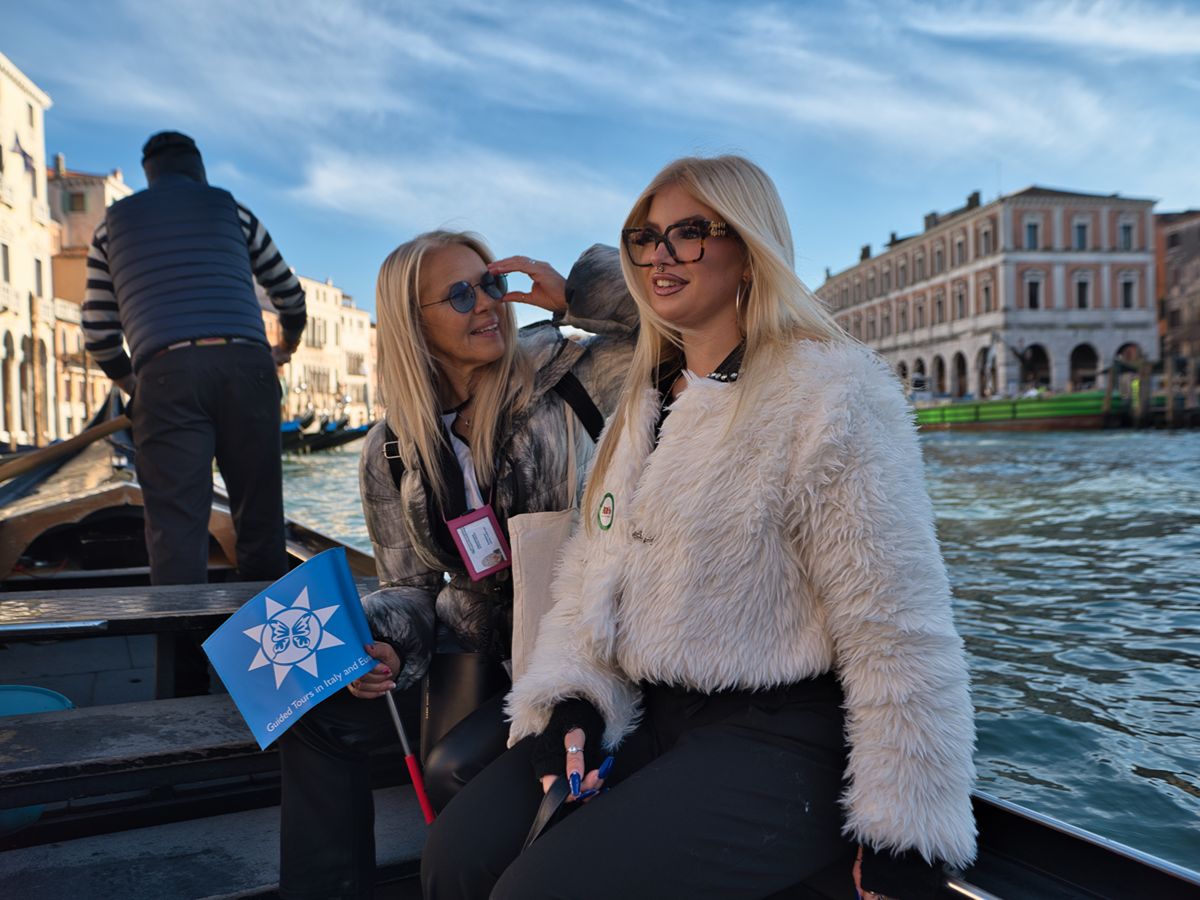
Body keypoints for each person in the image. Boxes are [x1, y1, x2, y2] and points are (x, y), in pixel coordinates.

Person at [421, 156, 977, 900]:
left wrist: (906, 832)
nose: (660, 255)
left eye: (688, 232)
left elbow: (897, 624)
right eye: (643, 237)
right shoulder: (645, 400)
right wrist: (575, 699)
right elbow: (592, 576)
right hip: (650, 711)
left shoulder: (832, 394)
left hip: (783, 732)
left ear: (747, 247)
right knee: (454, 857)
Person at [276, 231, 637, 900]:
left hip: (591, 636)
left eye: (492, 285)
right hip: (486, 640)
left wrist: (580, 294)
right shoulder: (391, 448)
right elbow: (410, 586)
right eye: (461, 294)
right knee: (312, 695)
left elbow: (696, 319)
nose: (489, 306)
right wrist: (382, 643)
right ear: (414, 325)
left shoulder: (575, 375)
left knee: (452, 770)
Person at [82, 130, 306, 693]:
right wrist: (289, 346)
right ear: (198, 169)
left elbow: (99, 330)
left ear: (149, 172)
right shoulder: (233, 210)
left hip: (165, 371)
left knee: (176, 537)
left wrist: (137, 383)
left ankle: (180, 687)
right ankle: (273, 682)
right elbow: (289, 293)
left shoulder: (112, 226)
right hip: (249, 366)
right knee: (259, 523)